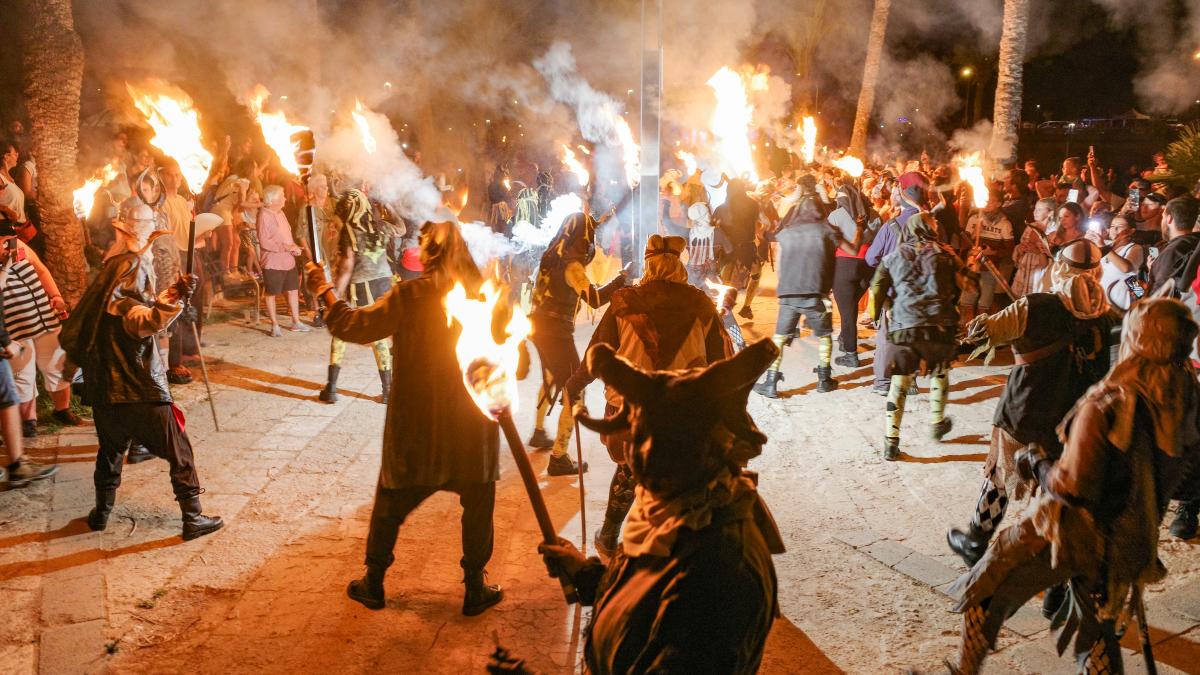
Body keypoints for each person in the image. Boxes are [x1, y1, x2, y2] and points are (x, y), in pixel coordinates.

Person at [945, 298, 1200, 675]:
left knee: (987, 586)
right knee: (1096, 633)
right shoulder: (1186, 398)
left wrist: (1036, 461)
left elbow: (1070, 488)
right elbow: (1190, 485)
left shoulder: (1110, 402)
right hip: (1129, 542)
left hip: (1070, 533)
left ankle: (965, 670)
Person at [538, 338, 783, 674]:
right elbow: (644, 601)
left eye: (639, 441)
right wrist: (587, 575)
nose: (631, 457)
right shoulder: (676, 513)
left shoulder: (719, 571)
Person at [305, 219, 504, 616]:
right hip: (471, 428)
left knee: (390, 504)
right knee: (479, 502)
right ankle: (474, 588)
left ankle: (374, 583)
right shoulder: (485, 294)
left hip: (419, 428)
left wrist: (325, 289)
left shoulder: (410, 295)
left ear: (429, 254)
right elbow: (515, 355)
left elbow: (353, 326)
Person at [946, 240, 1117, 573]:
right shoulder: (1109, 314)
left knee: (1001, 476)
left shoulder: (1033, 305)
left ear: (1060, 267)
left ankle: (976, 541)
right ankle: (1053, 550)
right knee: (1057, 482)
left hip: (1025, 410)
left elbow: (982, 335)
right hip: (1074, 418)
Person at [59, 204, 222, 541]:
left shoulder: (110, 273)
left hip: (105, 389)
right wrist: (174, 301)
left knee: (110, 452)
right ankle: (192, 518)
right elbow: (142, 321)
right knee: (180, 451)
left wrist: (172, 294)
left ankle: (101, 514)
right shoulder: (129, 272)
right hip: (139, 389)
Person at [564, 234, 732, 557]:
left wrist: (574, 385)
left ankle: (609, 534)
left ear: (649, 264)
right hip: (683, 411)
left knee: (631, 467)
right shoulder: (701, 304)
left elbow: (597, 354)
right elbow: (722, 361)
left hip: (628, 413)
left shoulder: (624, 301)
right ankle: (676, 542)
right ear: (679, 265)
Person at [527, 210, 626, 476]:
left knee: (552, 378)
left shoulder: (550, 258)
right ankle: (559, 456)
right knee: (574, 389)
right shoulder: (572, 267)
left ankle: (539, 431)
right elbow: (595, 299)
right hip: (556, 333)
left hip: (539, 328)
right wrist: (621, 281)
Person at [753, 175, 860, 398]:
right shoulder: (826, 229)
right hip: (816, 294)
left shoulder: (787, 231)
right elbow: (852, 250)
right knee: (824, 335)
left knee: (779, 337)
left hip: (788, 293)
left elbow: (770, 240)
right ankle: (824, 379)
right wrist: (858, 230)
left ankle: (771, 382)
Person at [869, 212, 962, 460]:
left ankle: (891, 441)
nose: (937, 226)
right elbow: (961, 285)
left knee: (899, 382)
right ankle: (937, 423)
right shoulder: (946, 254)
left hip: (904, 326)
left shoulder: (893, 256)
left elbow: (876, 288)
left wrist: (880, 312)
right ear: (928, 228)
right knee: (939, 372)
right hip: (938, 326)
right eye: (934, 224)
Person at [0, 229, 80, 437]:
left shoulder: (16, 245)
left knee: (56, 363)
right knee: (22, 374)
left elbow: (41, 270)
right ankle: (28, 421)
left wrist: (55, 296)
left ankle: (62, 410)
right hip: (15, 328)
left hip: (45, 319)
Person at [317, 189, 394, 403]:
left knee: (343, 330)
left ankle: (333, 387)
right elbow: (401, 228)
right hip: (383, 283)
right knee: (375, 333)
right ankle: (386, 390)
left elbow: (347, 266)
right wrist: (389, 206)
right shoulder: (379, 225)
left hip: (362, 286)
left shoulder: (350, 230)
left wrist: (334, 297)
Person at [866, 172, 928, 394]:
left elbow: (871, 258)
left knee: (887, 337)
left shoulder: (891, 225)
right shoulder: (932, 226)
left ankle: (883, 383)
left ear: (903, 193)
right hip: (921, 291)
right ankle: (909, 381)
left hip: (894, 292)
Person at [256, 185, 309, 337]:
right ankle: (274, 325)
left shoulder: (280, 213)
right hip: (273, 262)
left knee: (292, 290)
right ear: (273, 200)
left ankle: (296, 322)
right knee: (272, 293)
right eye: (282, 196)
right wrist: (286, 247)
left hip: (288, 260)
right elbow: (264, 242)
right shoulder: (264, 215)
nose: (285, 199)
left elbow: (287, 237)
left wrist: (294, 247)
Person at [959, 188, 1015, 323]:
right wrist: (975, 233)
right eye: (985, 200)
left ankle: (981, 330)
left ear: (999, 203)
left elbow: (1009, 250)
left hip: (989, 267)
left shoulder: (1004, 224)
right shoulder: (974, 218)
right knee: (967, 300)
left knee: (985, 303)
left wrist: (993, 252)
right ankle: (966, 329)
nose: (987, 203)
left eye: (991, 201)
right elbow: (964, 244)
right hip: (972, 266)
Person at [714, 178, 762, 319]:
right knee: (755, 274)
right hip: (746, 247)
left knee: (726, 281)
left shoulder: (722, 208)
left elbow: (714, 226)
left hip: (729, 248)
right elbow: (757, 223)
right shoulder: (753, 204)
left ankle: (723, 312)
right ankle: (742, 307)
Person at [1148, 196, 1200, 294]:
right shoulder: (1196, 242)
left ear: (1169, 219)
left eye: (1163, 217)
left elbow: (1158, 295)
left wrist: (1151, 277)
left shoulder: (1172, 252)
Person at [1096, 213, 1146, 312]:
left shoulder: (1135, 248)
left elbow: (1125, 268)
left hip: (1121, 305)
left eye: (1120, 226)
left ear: (1131, 231)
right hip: (1101, 302)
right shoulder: (1105, 244)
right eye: (1112, 226)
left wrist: (1103, 247)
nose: (1115, 229)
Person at [1010, 197, 1055, 298]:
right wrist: (1020, 248)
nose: (1035, 212)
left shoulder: (1053, 231)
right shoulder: (1030, 226)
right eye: (1035, 209)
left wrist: (1037, 251)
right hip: (1025, 270)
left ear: (1050, 213)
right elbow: (1020, 248)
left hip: (1040, 275)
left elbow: (1051, 260)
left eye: (1039, 209)